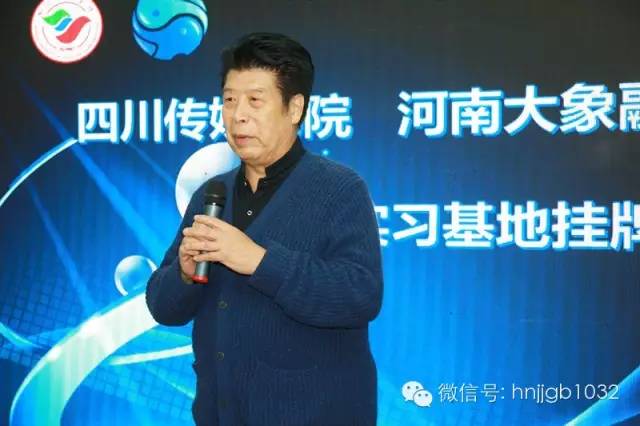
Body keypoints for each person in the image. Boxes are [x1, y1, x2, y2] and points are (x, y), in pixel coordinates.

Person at [145, 32, 383, 426]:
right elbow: (162, 307)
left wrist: (259, 261)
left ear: (294, 108)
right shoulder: (212, 194)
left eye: (255, 100)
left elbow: (360, 295)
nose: (237, 115)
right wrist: (183, 275)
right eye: (229, 100)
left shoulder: (340, 189)